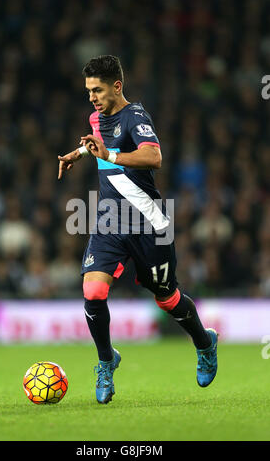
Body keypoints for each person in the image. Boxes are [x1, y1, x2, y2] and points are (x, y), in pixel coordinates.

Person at [58, 55, 218, 404]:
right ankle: (105, 361)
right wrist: (77, 154)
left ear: (117, 85)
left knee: (169, 300)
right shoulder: (95, 117)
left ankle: (204, 342)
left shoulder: (136, 117)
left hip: (149, 225)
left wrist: (110, 156)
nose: (92, 97)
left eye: (97, 90)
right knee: (93, 292)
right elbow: (96, 143)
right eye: (88, 91)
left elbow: (153, 157)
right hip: (110, 222)